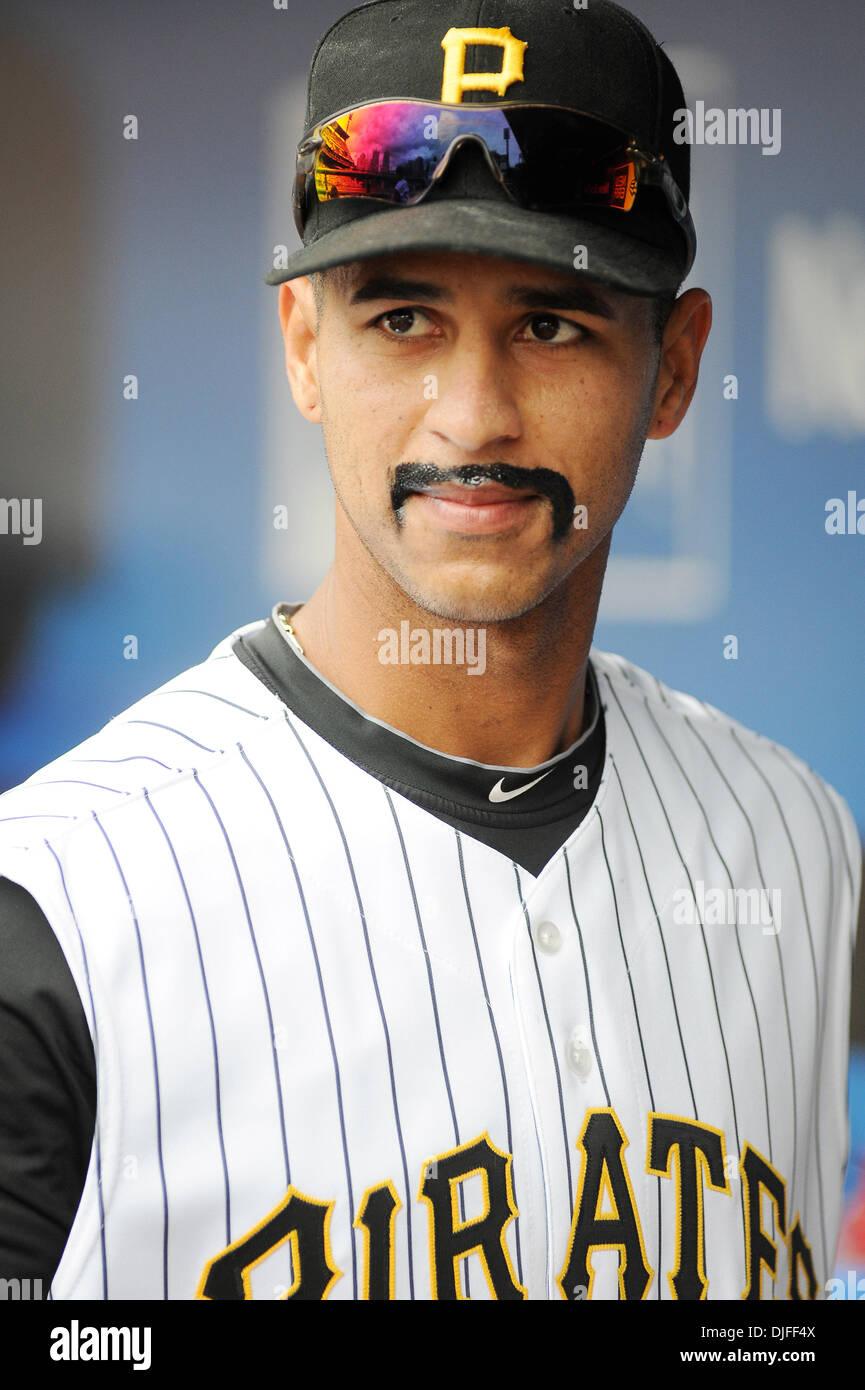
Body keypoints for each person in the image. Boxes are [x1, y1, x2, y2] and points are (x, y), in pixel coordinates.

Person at [0, 0, 859, 1302]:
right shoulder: (56, 898)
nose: (472, 413)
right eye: (401, 319)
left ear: (672, 369)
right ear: (303, 344)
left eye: (552, 323)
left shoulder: (793, 842)